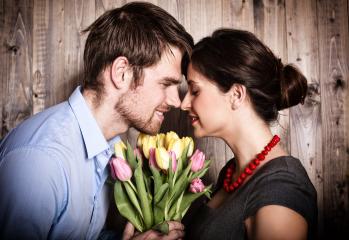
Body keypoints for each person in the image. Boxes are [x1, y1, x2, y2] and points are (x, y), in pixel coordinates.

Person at [0, 2, 193, 239]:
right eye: (166, 84)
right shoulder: (41, 161)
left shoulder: (108, 146)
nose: (176, 101)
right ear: (122, 73)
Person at [181, 29, 317, 239]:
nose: (183, 104)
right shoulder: (230, 173)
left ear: (236, 94)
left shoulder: (281, 186)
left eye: (195, 90)